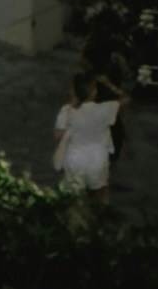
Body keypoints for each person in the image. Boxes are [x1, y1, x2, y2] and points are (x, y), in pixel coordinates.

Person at [53, 67, 124, 196]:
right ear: (93, 92)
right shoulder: (106, 109)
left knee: (74, 197)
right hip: (97, 160)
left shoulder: (67, 110)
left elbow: (57, 137)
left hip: (74, 160)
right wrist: (109, 84)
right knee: (99, 195)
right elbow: (126, 98)